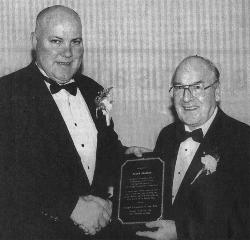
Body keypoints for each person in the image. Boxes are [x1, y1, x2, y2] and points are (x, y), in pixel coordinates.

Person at [0, 5, 148, 240]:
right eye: (56, 41)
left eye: (75, 42)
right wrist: (70, 207)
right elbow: (8, 178)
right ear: (34, 41)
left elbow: (102, 152)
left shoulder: (94, 91)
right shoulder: (7, 93)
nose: (67, 53)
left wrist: (125, 155)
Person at [136, 55, 250, 240]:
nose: (186, 98)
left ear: (217, 92)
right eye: (180, 88)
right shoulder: (167, 136)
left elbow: (243, 224)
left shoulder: (243, 140)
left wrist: (182, 233)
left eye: (197, 87)